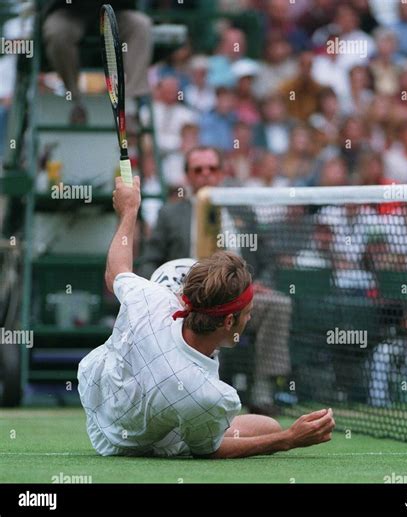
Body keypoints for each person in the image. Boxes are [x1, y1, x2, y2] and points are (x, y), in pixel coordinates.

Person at [78, 187, 336, 457]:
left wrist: (129, 210)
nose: (250, 316)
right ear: (228, 322)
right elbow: (210, 451)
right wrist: (288, 439)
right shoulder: (209, 395)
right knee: (270, 430)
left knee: (266, 424)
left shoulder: (151, 298)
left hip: (98, 393)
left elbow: (116, 271)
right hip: (124, 443)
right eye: (248, 312)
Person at [140, 146, 293, 415]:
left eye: (212, 169)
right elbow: (148, 261)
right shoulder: (170, 214)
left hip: (240, 301)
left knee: (279, 304)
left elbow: (267, 260)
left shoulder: (243, 213)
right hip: (190, 304)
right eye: (198, 170)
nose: (206, 175)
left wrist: (260, 283)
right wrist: (166, 289)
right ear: (188, 176)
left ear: (221, 173)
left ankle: (263, 392)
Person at [42, 0, 152, 124]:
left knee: (140, 25)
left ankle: (129, 107)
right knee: (58, 33)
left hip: (113, 11)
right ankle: (75, 100)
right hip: (68, 12)